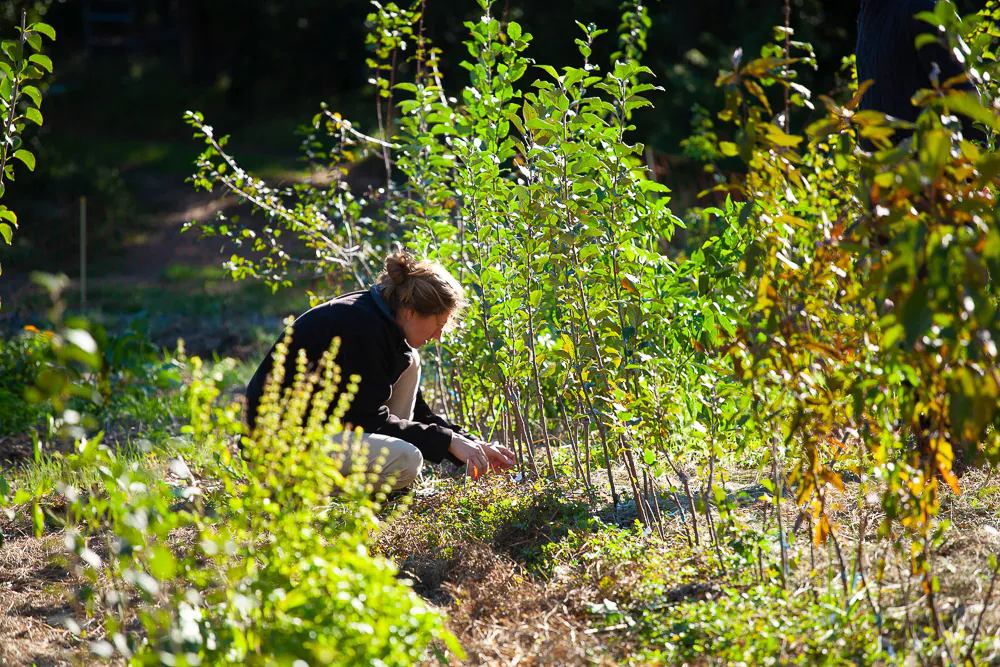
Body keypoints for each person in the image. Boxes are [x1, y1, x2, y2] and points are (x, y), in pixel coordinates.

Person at [245, 252, 516, 490]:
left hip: (322, 430)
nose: (438, 336)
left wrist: (470, 444)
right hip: (277, 448)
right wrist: (446, 442)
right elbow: (366, 419)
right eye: (438, 324)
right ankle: (292, 491)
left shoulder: (383, 323)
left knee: (412, 363)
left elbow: (417, 413)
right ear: (411, 312)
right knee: (407, 460)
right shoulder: (361, 327)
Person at [856, 0, 980, 143]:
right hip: (883, 161)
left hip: (923, 158)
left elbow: (961, 89)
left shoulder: (919, 7)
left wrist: (981, 156)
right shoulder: (868, 13)